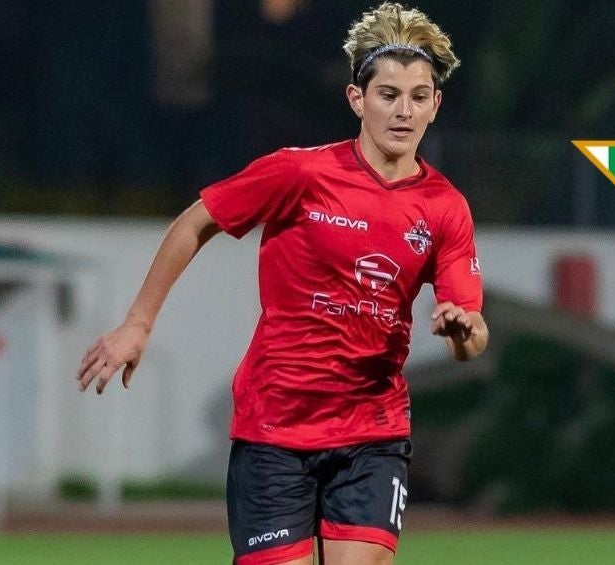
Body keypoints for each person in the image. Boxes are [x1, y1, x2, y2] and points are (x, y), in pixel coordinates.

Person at [75, 3, 488, 564]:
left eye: (418, 97)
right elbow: (194, 223)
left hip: (372, 432)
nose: (403, 111)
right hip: (274, 429)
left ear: (435, 105)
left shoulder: (445, 207)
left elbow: (470, 335)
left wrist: (463, 330)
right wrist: (137, 324)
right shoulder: (300, 173)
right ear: (357, 99)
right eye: (388, 94)